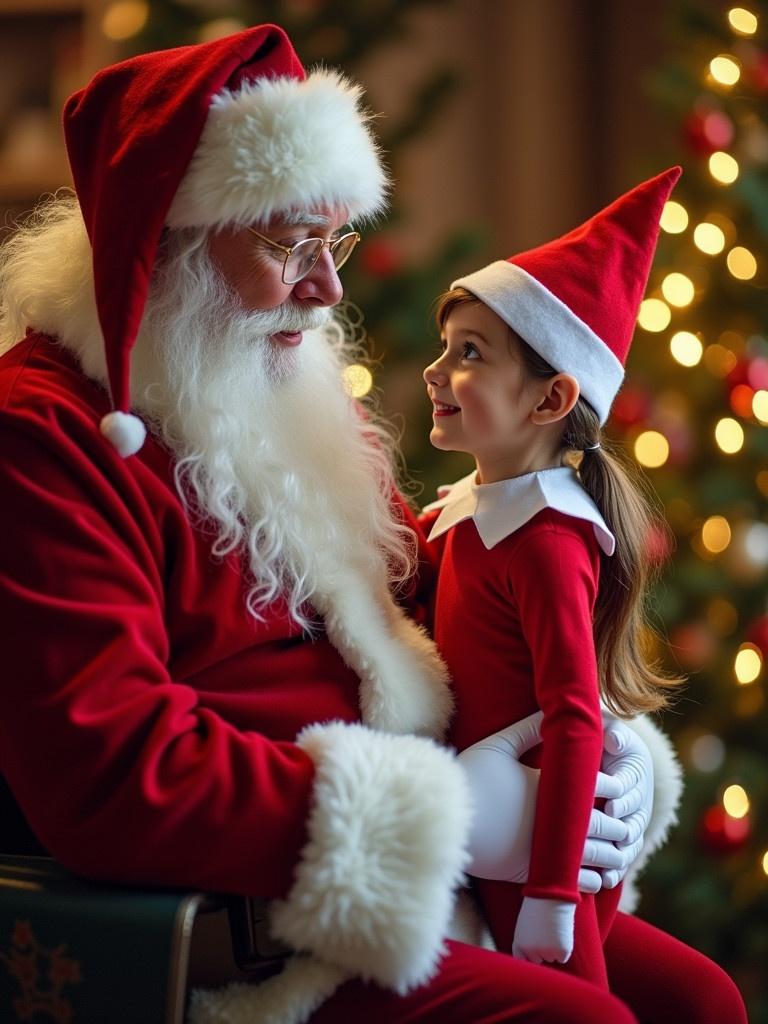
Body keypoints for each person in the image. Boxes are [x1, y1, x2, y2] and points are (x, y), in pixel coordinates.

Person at [0, 24, 744, 1024]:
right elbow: (115, 772)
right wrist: (455, 819)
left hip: (422, 887)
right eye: (287, 245)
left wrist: (599, 763)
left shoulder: (278, 394)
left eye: (333, 241)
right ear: (162, 242)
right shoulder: (42, 438)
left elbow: (442, 610)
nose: (328, 287)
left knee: (701, 997)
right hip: (261, 931)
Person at [420, 169, 687, 988]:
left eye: (468, 354)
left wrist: (550, 893)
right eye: (445, 347)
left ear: (550, 400)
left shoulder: (545, 541)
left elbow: (574, 716)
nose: (435, 372)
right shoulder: (463, 516)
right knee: (700, 996)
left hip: (544, 860)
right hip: (494, 850)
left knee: (598, 1003)